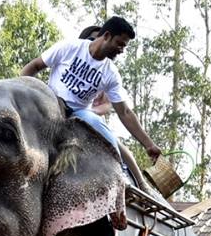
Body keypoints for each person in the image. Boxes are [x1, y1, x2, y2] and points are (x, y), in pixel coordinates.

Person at [21, 15, 163, 165]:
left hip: (79, 115)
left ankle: (127, 178)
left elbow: (124, 112)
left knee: (106, 135)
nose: (121, 50)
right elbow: (34, 66)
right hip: (50, 101)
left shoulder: (111, 73)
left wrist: (149, 144)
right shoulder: (70, 47)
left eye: (124, 46)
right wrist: (23, 93)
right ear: (107, 36)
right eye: (120, 44)